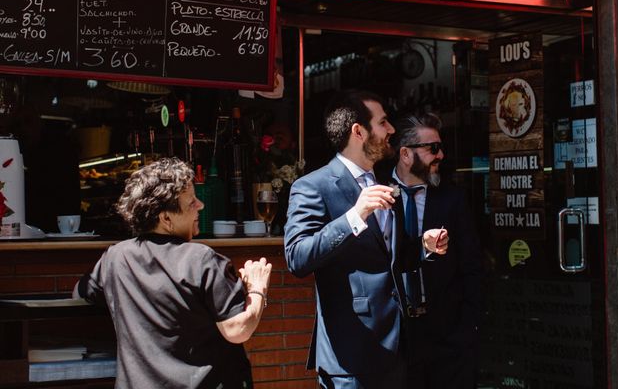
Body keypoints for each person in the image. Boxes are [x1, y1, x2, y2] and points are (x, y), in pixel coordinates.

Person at [284, 90, 445, 388]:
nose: (391, 130)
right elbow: (297, 257)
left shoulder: (383, 184)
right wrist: (353, 217)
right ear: (359, 131)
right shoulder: (313, 186)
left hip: (397, 349)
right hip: (351, 354)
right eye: (383, 122)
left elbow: (390, 258)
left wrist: (423, 244)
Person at [73, 157, 272, 389]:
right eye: (191, 203)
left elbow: (80, 293)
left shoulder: (116, 257)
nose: (201, 206)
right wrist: (258, 289)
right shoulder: (202, 260)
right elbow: (237, 329)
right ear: (166, 218)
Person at [389, 114, 484, 389]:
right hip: (394, 337)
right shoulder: (375, 193)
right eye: (432, 148)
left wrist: (469, 329)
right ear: (405, 154)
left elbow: (472, 265)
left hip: (448, 338)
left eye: (440, 147)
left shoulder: (452, 199)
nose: (440, 155)